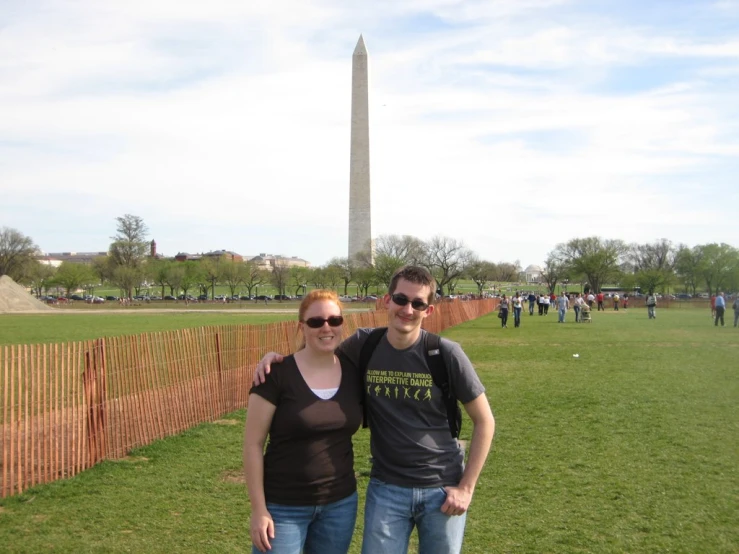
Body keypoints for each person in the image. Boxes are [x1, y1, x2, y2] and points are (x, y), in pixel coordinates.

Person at [254, 266, 495, 554]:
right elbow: (318, 355)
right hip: (386, 488)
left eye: (418, 303)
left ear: (428, 311)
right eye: (401, 299)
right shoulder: (364, 346)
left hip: (441, 489)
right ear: (386, 300)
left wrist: (466, 487)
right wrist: (276, 359)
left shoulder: (445, 353)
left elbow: (485, 421)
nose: (407, 309)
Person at [244, 290, 362, 553]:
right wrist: (259, 510)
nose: (326, 327)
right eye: (316, 321)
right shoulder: (276, 374)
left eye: (334, 320)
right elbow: (253, 445)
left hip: (339, 505)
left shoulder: (354, 373)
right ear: (302, 327)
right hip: (283, 508)